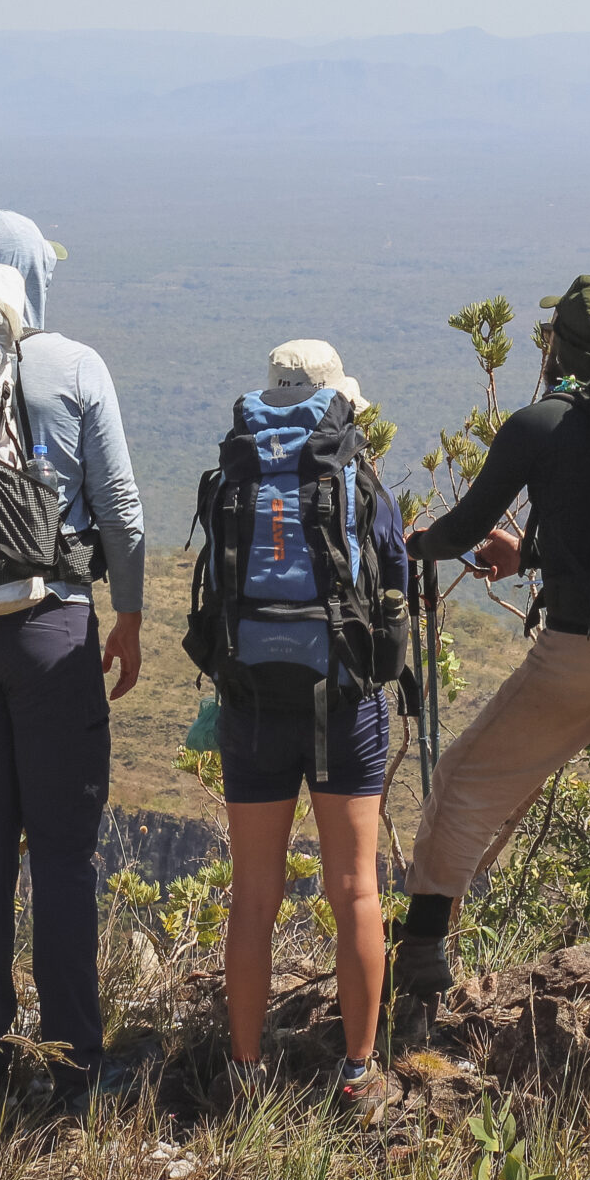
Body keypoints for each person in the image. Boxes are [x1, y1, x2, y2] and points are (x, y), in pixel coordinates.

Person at [394, 275, 590, 1016]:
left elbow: (459, 530)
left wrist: (423, 544)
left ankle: (423, 955)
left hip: (585, 652)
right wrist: (526, 555)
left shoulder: (542, 423)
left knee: (464, 779)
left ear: (557, 343)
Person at [0, 210, 146, 1107]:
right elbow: (123, 511)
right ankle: (72, 1066)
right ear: (33, 275)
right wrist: (129, 617)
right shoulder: (72, 364)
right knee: (62, 851)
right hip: (49, 621)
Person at [212, 342, 400, 1115]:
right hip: (343, 702)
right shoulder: (357, 474)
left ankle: (246, 1072)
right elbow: (391, 573)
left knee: (254, 893)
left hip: (252, 697)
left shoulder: (237, 471)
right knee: (356, 887)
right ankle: (357, 1073)